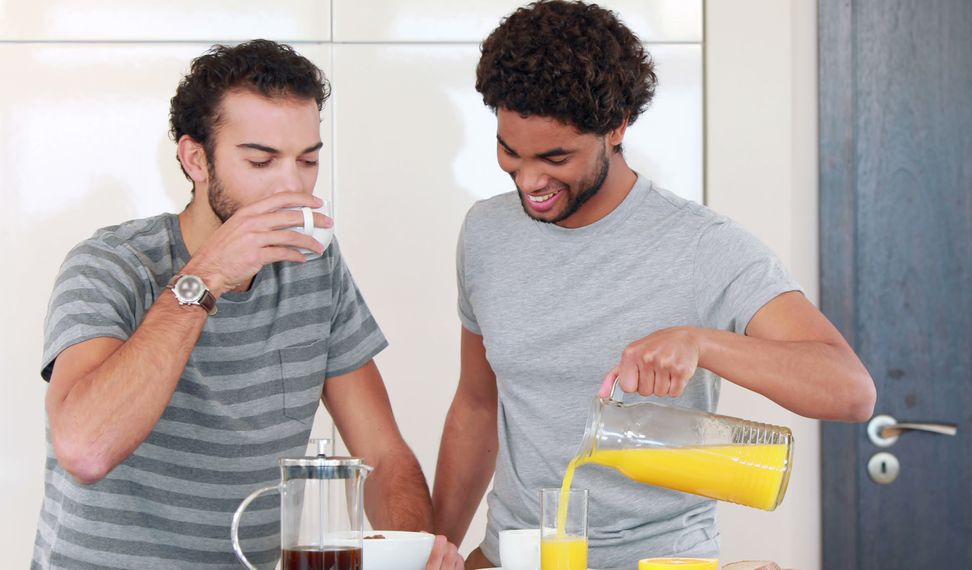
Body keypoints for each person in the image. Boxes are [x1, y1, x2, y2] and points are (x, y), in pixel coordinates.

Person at [431, 2, 876, 568]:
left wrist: (703, 343)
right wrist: (437, 547)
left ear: (617, 126)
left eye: (556, 157)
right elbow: (475, 404)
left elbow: (850, 390)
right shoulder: (486, 233)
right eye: (509, 153)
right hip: (514, 556)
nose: (530, 181)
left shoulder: (703, 246)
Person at [33, 39, 462, 569]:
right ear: (196, 159)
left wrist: (414, 549)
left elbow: (380, 452)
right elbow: (85, 449)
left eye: (307, 161)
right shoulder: (111, 264)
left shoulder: (314, 269)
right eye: (261, 160)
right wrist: (208, 275)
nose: (292, 186)